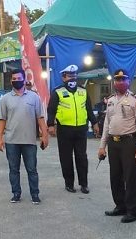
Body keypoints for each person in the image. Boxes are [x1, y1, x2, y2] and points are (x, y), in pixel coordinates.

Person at [97, 69, 136, 223]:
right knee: (115, 176)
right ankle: (120, 206)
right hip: (113, 142)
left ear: (128, 81)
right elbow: (107, 123)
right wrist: (102, 146)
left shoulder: (135, 99)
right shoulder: (111, 100)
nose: (119, 82)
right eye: (117, 79)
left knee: (130, 177)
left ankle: (132, 211)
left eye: (122, 79)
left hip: (129, 142)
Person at [0, 68, 49, 204]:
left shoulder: (34, 97)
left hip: (29, 141)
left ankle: (35, 194)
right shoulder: (5, 99)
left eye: (19, 79)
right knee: (13, 169)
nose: (16, 81)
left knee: (32, 169)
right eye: (14, 79)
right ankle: (16, 193)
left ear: (25, 80)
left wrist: (45, 136)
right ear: (11, 81)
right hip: (11, 141)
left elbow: (40, 118)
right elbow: (2, 120)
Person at [47, 64, 99, 194]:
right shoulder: (57, 92)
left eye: (75, 75)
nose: (73, 78)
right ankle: (69, 183)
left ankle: (84, 184)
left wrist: (95, 123)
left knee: (82, 157)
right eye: (70, 76)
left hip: (81, 130)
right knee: (66, 158)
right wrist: (50, 125)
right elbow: (51, 110)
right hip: (65, 130)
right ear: (63, 77)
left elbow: (89, 109)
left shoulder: (83, 91)